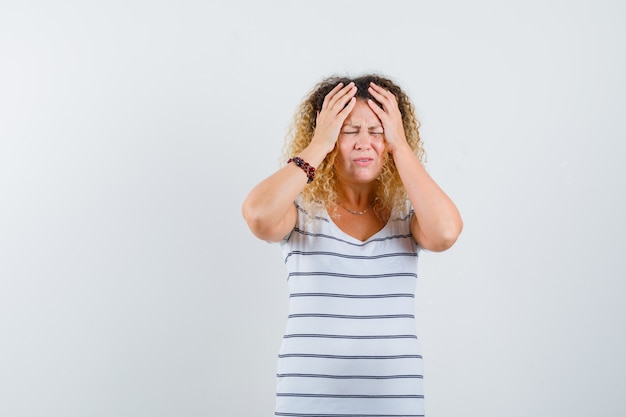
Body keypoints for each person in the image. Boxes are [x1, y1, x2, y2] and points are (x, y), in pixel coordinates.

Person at [242, 74, 463, 417]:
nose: (364, 143)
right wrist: (319, 145)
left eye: (377, 131)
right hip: (307, 401)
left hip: (396, 403)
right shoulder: (300, 209)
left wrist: (400, 147)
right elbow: (258, 215)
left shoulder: (408, 213)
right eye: (349, 131)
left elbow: (446, 233)